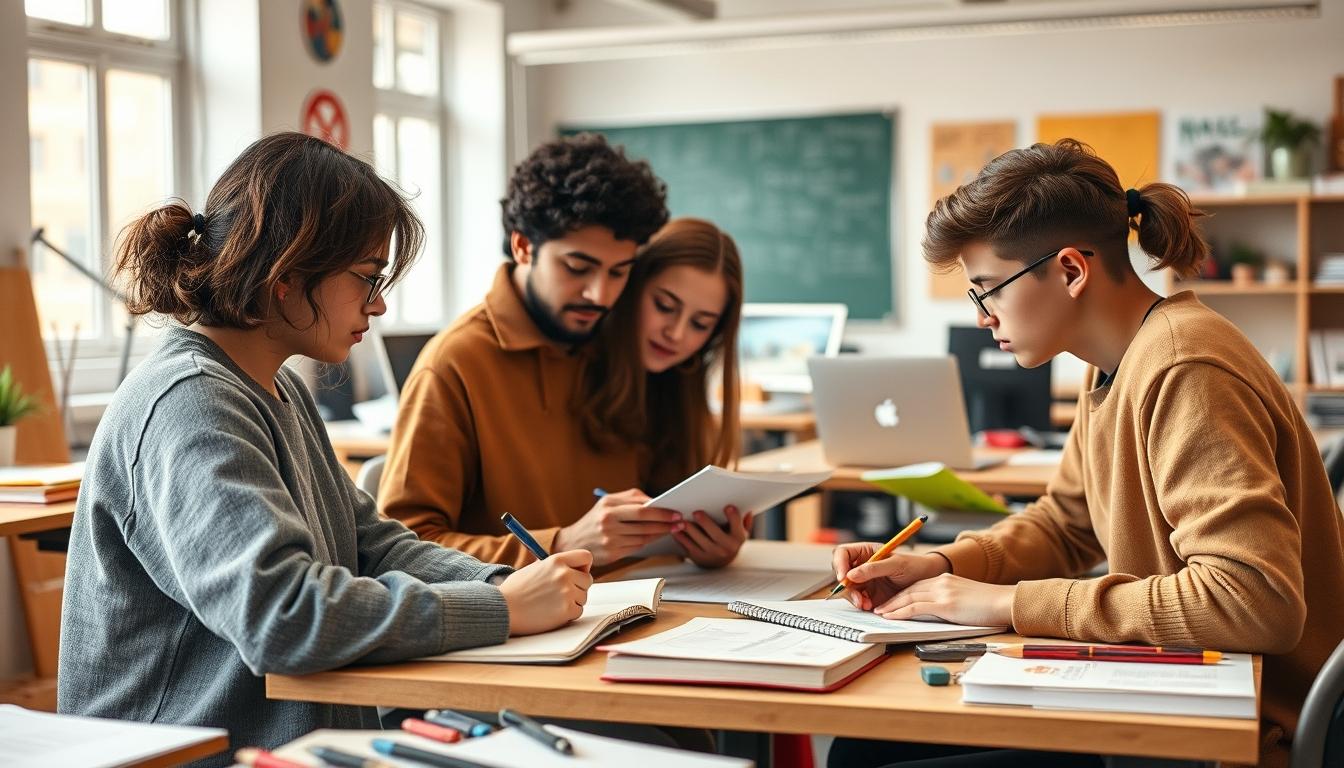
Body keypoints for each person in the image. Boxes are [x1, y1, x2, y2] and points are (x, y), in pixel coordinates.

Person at [57, 132, 594, 767]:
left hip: (295, 742)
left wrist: (505, 583)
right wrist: (499, 609)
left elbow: (371, 544)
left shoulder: (276, 385)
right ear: (287, 276)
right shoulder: (190, 405)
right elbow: (284, 617)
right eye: (367, 278)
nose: (380, 303)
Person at [828, 139, 1344, 768]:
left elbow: (1254, 601)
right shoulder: (1111, 361)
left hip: (1238, 731)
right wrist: (940, 565)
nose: (984, 317)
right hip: (1174, 695)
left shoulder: (1185, 367)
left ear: (1071, 271)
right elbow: (1065, 522)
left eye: (988, 290)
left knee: (866, 759)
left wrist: (1007, 603)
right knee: (861, 746)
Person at [381, 134, 687, 569]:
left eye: (619, 272)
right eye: (577, 268)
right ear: (523, 247)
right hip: (524, 611)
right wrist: (558, 544)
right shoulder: (454, 364)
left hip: (645, 597)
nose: (600, 295)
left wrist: (697, 536)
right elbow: (404, 549)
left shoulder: (623, 344)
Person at [577, 217, 750, 567]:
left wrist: (713, 548)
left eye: (700, 324)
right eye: (665, 306)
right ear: (632, 286)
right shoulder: (575, 368)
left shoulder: (682, 394)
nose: (676, 333)